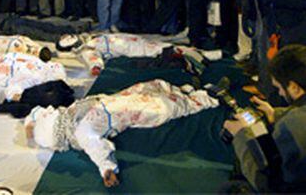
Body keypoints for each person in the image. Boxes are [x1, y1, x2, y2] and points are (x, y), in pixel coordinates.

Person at [24, 79, 218, 187]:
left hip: (110, 100)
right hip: (123, 114)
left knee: (150, 86)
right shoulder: (82, 132)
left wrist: (29, 128)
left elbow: (37, 112)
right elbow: (96, 149)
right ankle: (205, 97)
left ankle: (182, 89)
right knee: (164, 108)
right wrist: (107, 169)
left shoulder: (67, 113)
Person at [223, 44, 306, 193]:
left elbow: (270, 185)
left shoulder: (292, 126)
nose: (280, 94)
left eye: (280, 88)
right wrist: (276, 113)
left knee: (230, 189)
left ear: (294, 87)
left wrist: (241, 135)